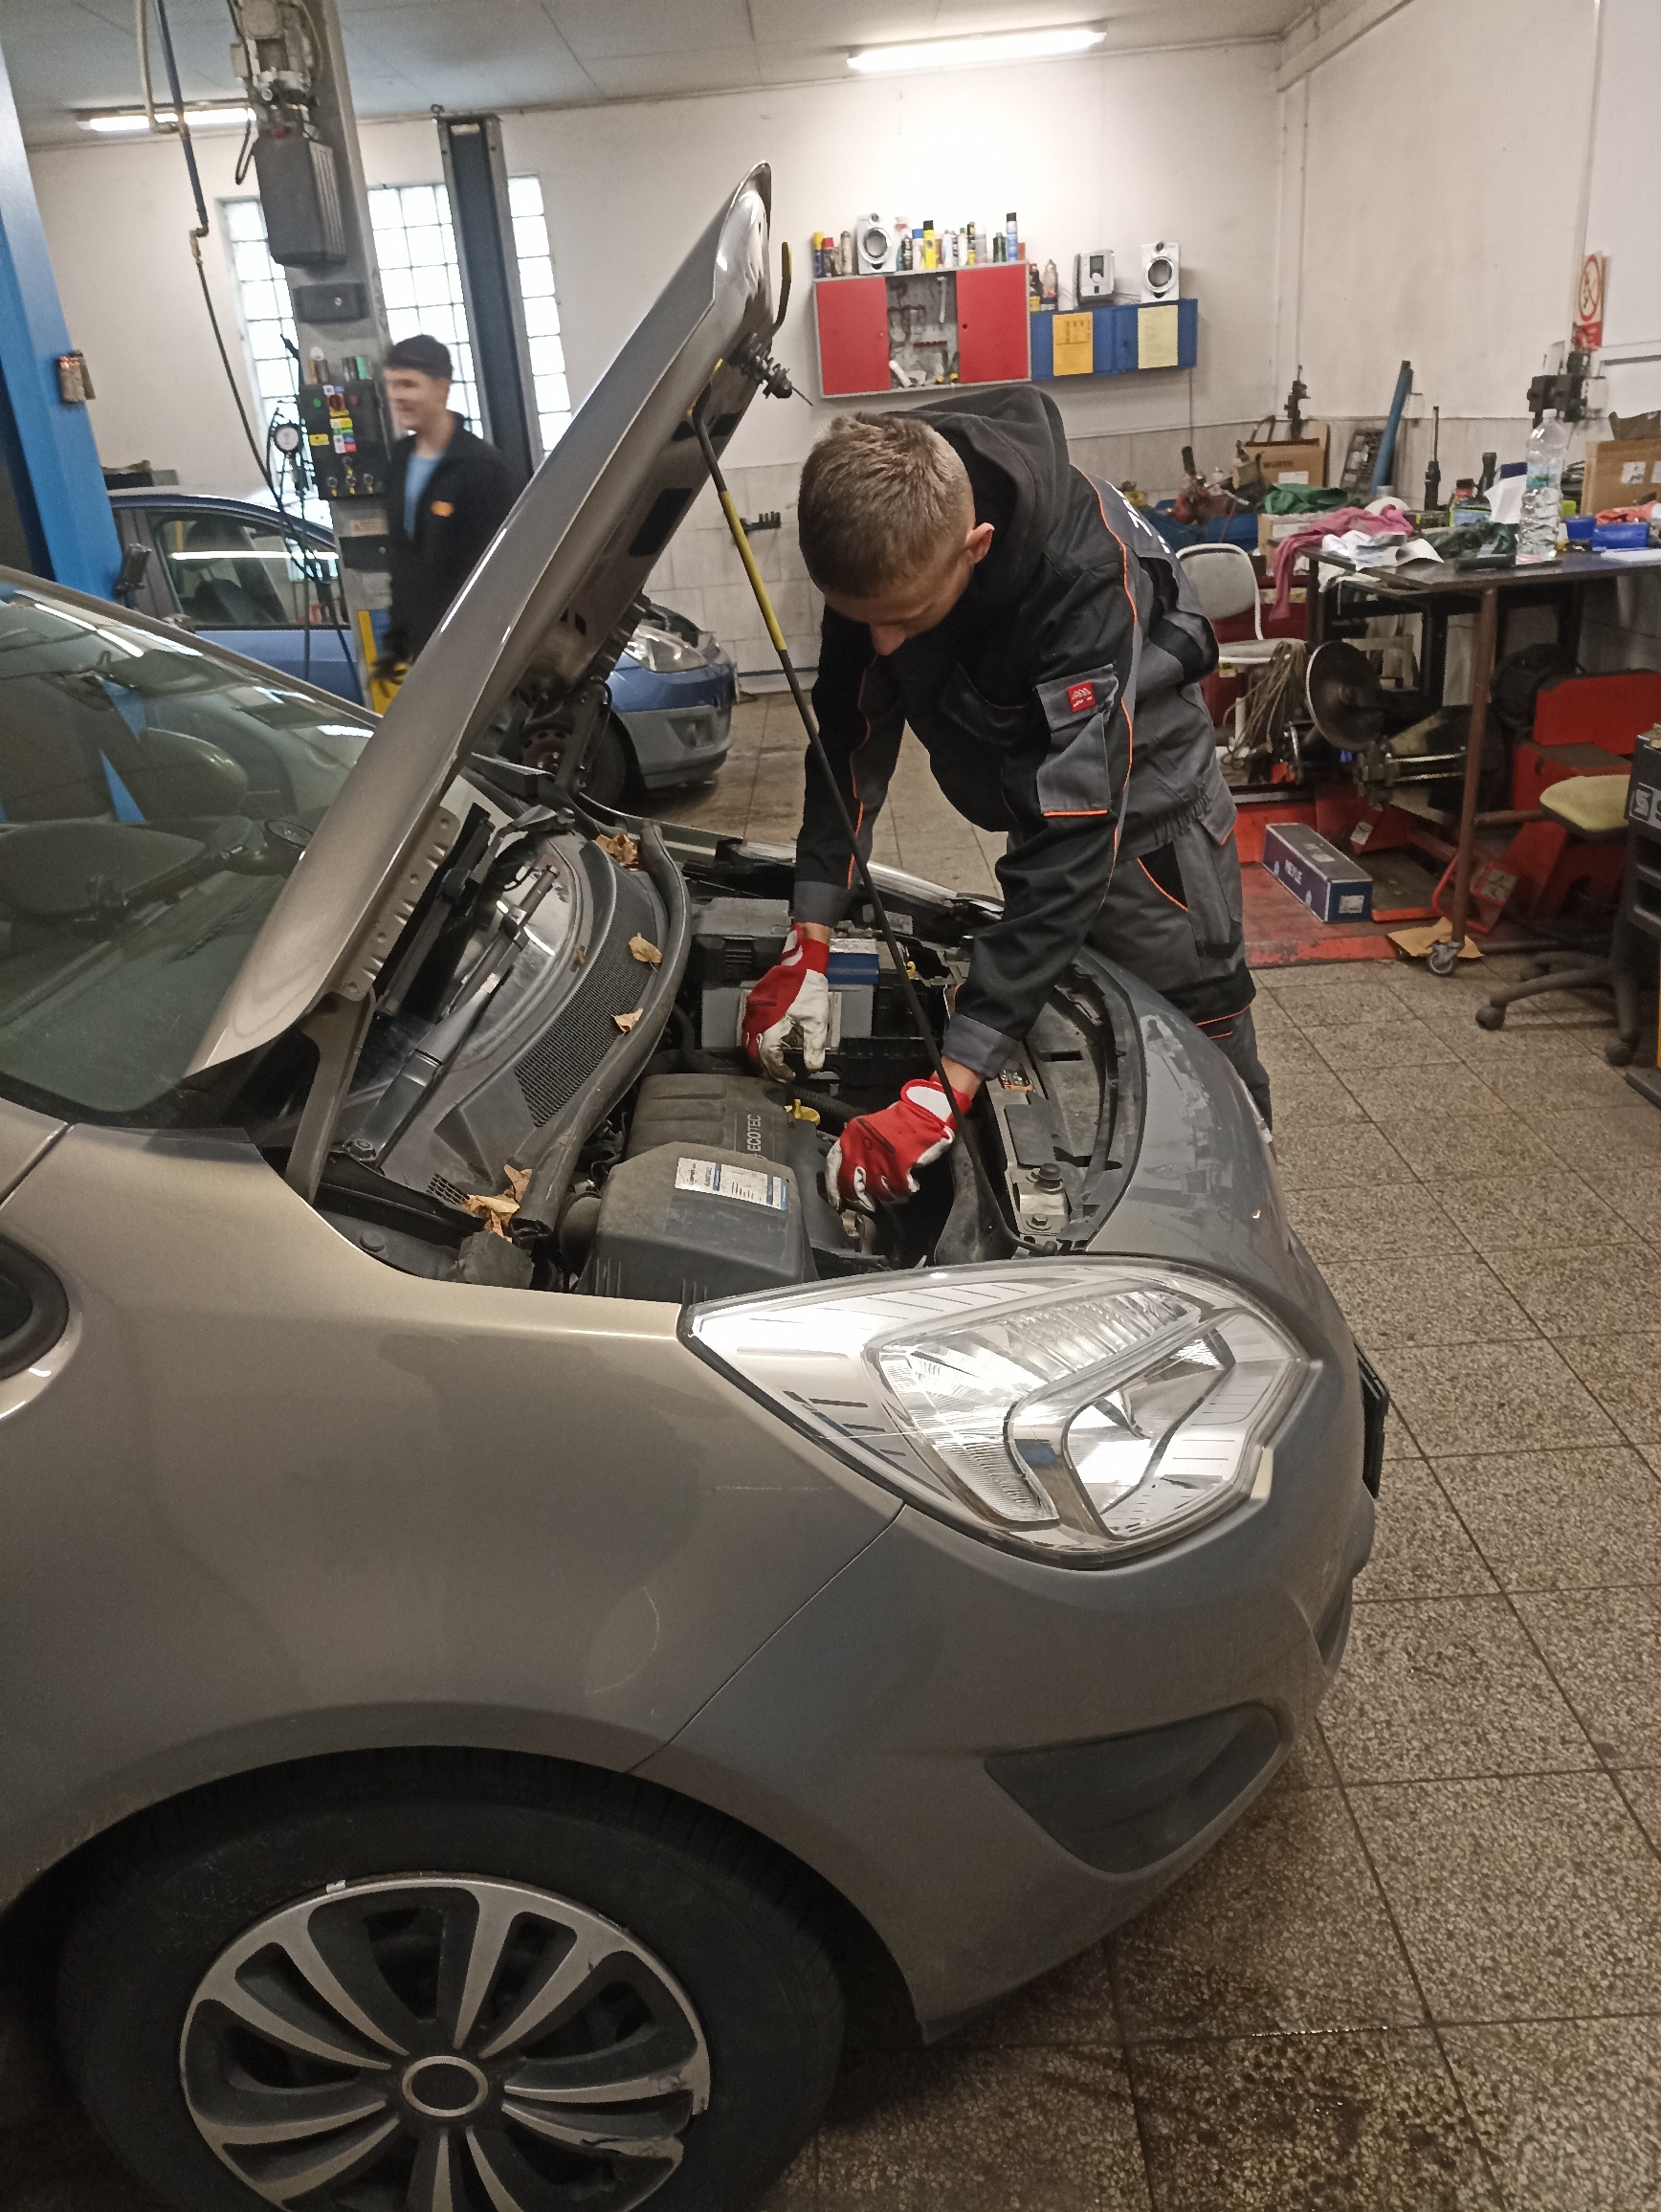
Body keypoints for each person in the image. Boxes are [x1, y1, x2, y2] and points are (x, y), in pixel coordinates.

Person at [740, 387, 1270, 1213]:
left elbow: (1074, 834)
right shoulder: (878, 529)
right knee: (1058, 989)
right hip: (1039, 789)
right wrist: (809, 934)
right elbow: (848, 737)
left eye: (905, 618)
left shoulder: (1080, 579)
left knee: (1196, 1048)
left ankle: (1248, 1206)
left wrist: (946, 1087)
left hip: (1150, 824)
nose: (883, 641)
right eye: (861, 619)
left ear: (976, 546)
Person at [380, 334, 520, 674]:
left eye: (408, 384)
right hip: (423, 648)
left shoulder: (481, 466)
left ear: (442, 388)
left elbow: (504, 572)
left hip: (474, 652)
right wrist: (397, 643)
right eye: (392, 385)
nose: (397, 396)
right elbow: (402, 559)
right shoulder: (400, 460)